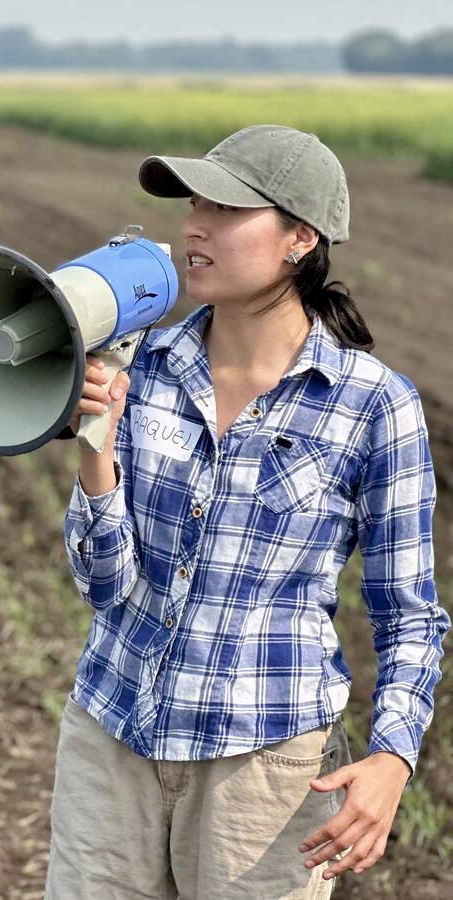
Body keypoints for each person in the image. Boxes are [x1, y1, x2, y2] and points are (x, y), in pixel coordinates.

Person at [44, 124, 449, 900]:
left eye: (227, 209)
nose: (196, 225)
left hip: (261, 775)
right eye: (195, 203)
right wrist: (96, 451)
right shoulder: (144, 367)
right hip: (111, 743)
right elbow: (103, 589)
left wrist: (395, 757)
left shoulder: (372, 406)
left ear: (300, 238)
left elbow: (408, 613)